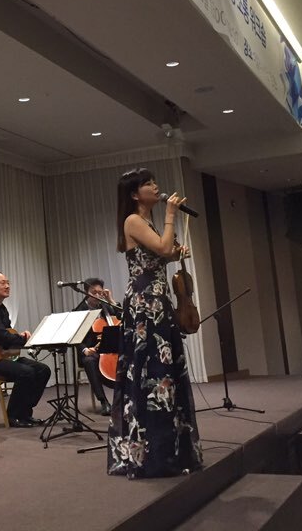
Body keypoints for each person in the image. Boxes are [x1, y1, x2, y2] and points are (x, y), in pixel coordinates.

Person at [107, 168, 203, 478]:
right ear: (135, 194)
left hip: (158, 300)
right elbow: (161, 248)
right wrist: (171, 214)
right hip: (145, 303)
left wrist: (176, 254)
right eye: (148, 184)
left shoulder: (147, 222)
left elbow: (162, 254)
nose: (155, 186)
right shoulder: (133, 220)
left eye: (153, 181)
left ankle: (170, 448)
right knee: (151, 374)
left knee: (164, 373)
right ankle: (151, 454)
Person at [0, 272, 52, 428]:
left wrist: (19, 337)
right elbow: (4, 337)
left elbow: (7, 335)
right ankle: (13, 415)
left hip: (3, 356)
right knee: (26, 372)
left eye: (8, 283)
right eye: (3, 283)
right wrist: (25, 339)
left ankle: (25, 412)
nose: (7, 286)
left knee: (43, 370)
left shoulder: (2, 309)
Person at [72, 278, 118, 416]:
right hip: (90, 351)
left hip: (109, 349)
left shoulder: (106, 307)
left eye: (100, 292)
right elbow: (75, 336)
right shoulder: (78, 311)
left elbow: (122, 316)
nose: (98, 295)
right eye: (94, 292)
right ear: (86, 293)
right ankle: (104, 402)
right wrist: (85, 350)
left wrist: (110, 300)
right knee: (90, 361)